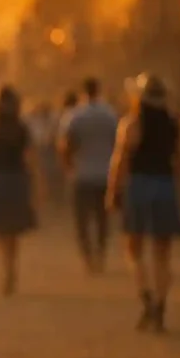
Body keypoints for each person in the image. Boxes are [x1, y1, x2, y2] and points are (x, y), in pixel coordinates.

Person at [107, 73, 180, 332]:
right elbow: (179, 160)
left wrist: (113, 191)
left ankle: (147, 299)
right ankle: (161, 306)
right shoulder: (174, 125)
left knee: (134, 248)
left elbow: (121, 160)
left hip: (139, 186)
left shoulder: (132, 124)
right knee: (162, 254)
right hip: (164, 186)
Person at [0, 85, 42, 295]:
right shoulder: (22, 128)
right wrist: (38, 183)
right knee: (13, 229)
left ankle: (6, 267)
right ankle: (11, 267)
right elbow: (30, 159)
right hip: (17, 181)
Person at [59, 77, 118, 274]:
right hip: (105, 174)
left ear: (84, 91)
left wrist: (68, 167)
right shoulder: (110, 114)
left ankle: (87, 258)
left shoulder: (75, 115)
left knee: (81, 220)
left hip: (82, 174)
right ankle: (100, 255)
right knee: (102, 219)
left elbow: (65, 145)